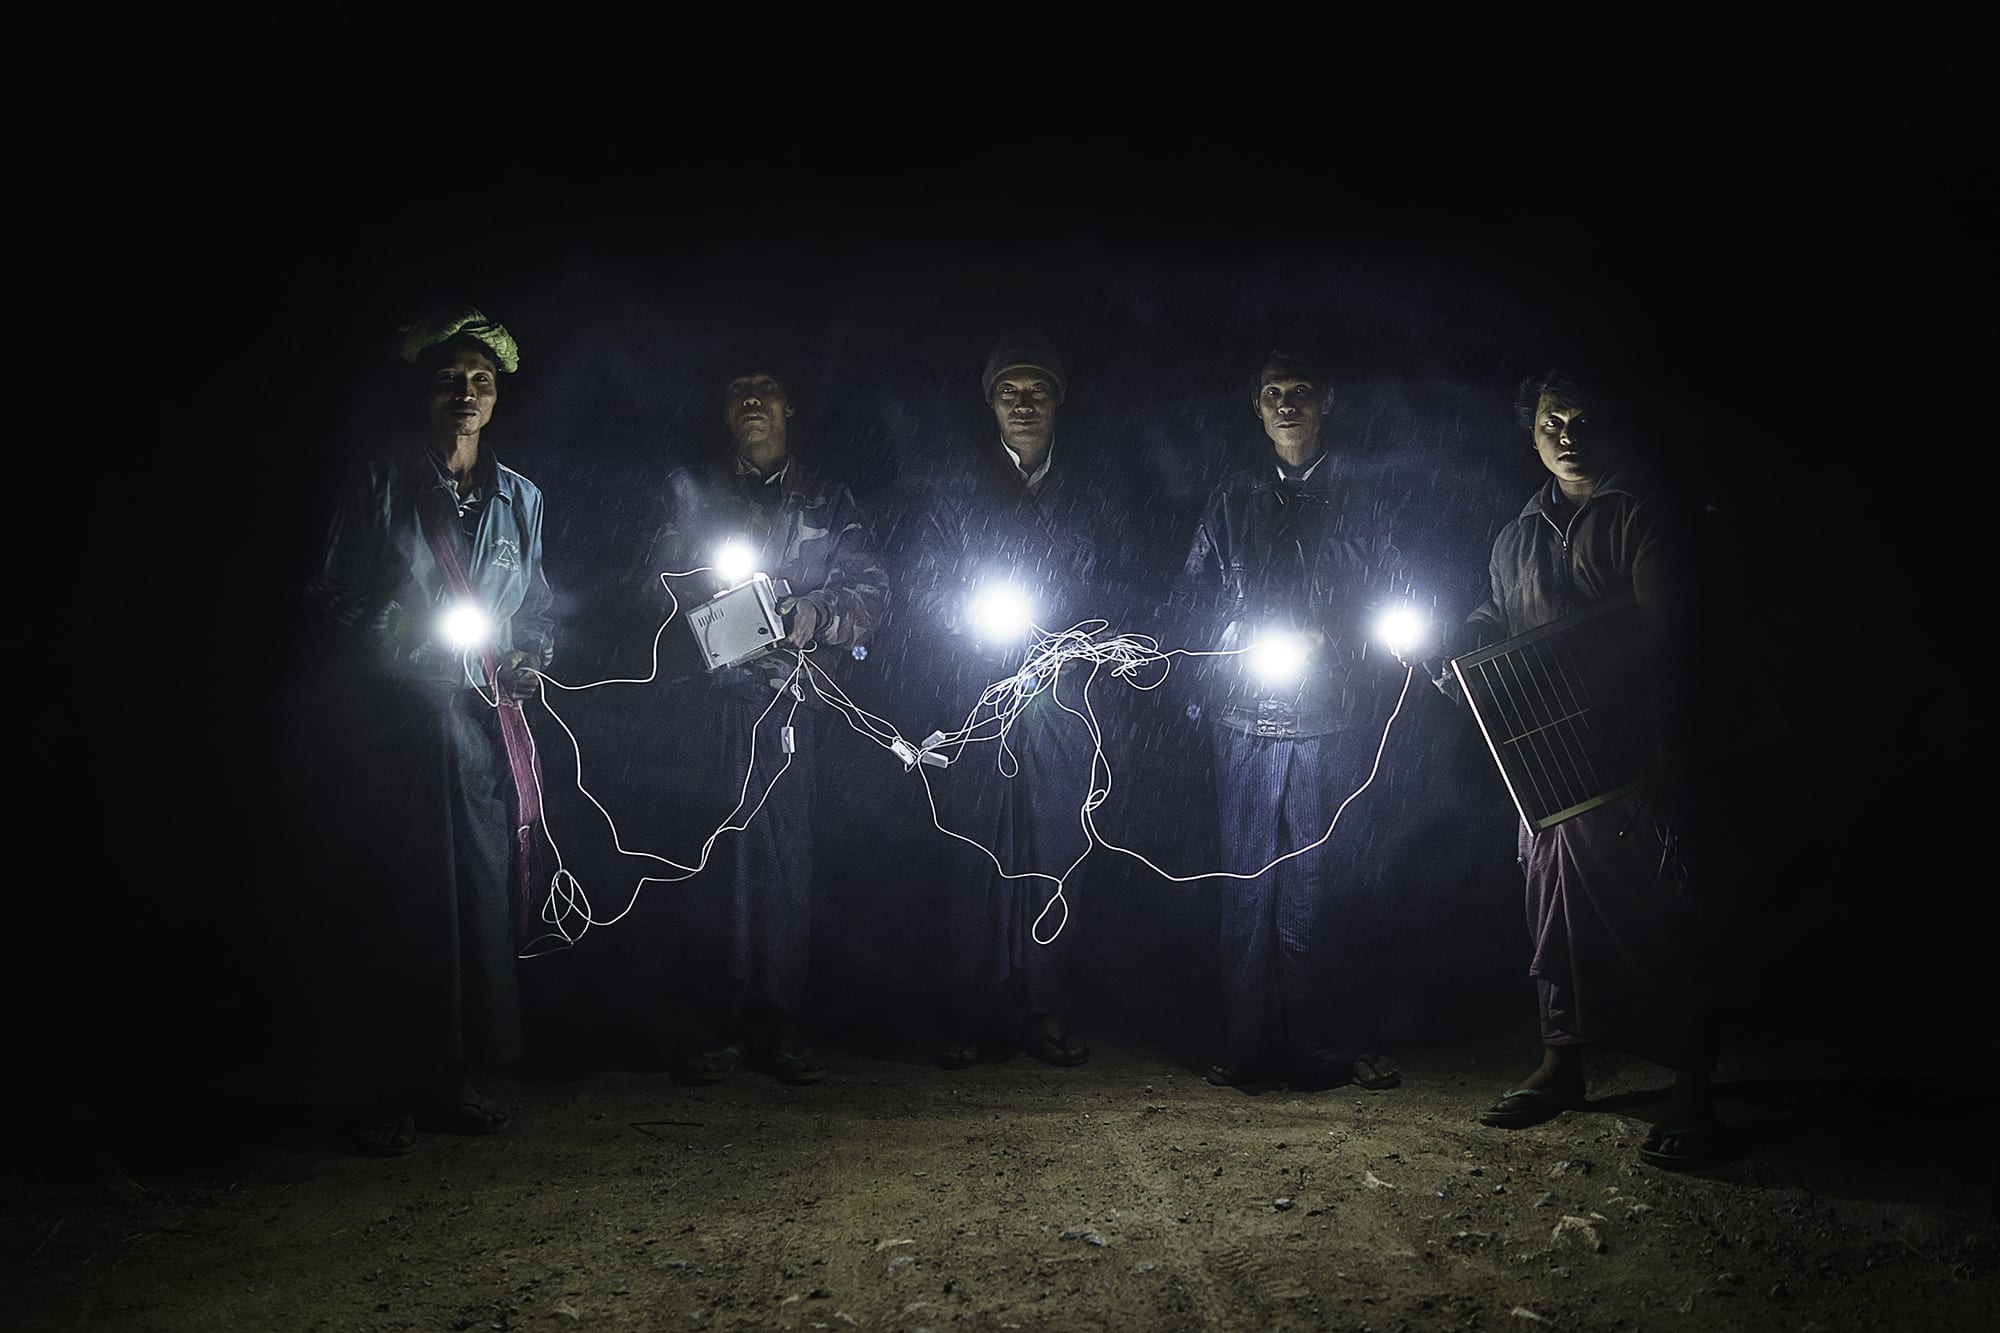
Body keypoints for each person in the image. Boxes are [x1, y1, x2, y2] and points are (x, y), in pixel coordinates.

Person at [1448, 369, 1721, 1169]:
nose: (1567, 432)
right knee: (1551, 915)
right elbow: (1494, 614)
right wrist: (1462, 639)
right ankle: (1562, 1061)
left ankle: (1691, 1080)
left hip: (1633, 760)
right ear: (1529, 429)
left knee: (1665, 913)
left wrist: (1675, 749)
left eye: (1582, 417)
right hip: (1545, 767)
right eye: (1550, 418)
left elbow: (1676, 642)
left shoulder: (1646, 516)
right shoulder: (1514, 534)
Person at [302, 305, 555, 1155]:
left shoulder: (520, 498)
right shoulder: (382, 480)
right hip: (397, 722)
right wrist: (401, 639)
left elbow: (537, 611)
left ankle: (451, 1078)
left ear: (496, 399)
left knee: (475, 902)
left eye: (481, 381)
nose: (466, 392)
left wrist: (527, 660)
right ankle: (385, 1087)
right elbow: (335, 592)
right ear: (427, 391)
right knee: (401, 900)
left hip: (478, 724)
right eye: (451, 378)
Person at [627, 361, 886, 1086]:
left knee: (783, 864)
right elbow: (644, 588)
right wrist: (695, 589)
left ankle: (777, 1024)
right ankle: (716, 1023)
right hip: (708, 708)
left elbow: (873, 591)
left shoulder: (828, 500)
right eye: (737, 388)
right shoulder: (696, 500)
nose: (750, 399)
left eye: (766, 387)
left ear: (789, 406)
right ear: (720, 407)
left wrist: (813, 615)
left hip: (789, 705)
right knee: (714, 862)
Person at [1167, 350, 1410, 1092]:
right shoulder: (1232, 499)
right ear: (1257, 408)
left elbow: (1394, 601)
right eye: (1271, 393)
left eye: (1299, 391)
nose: (1285, 404)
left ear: (1325, 400)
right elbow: (1192, 597)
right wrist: (1230, 637)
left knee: (1318, 881)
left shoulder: (1363, 500)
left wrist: (1335, 643)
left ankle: (1323, 1041)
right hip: (1243, 718)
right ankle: (1246, 1043)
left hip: (1330, 719)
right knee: (1244, 884)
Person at [896, 332, 1135, 1070]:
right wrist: (973, 628)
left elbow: (1125, 589)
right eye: (1009, 390)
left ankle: (1044, 1006)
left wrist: (1077, 640)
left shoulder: (1094, 493)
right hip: (982, 700)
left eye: (1036, 389)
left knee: (1059, 852)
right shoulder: (957, 491)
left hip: (1066, 704)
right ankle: (976, 1011)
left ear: (1058, 401)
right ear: (990, 403)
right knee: (976, 855)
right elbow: (923, 587)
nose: (1023, 402)